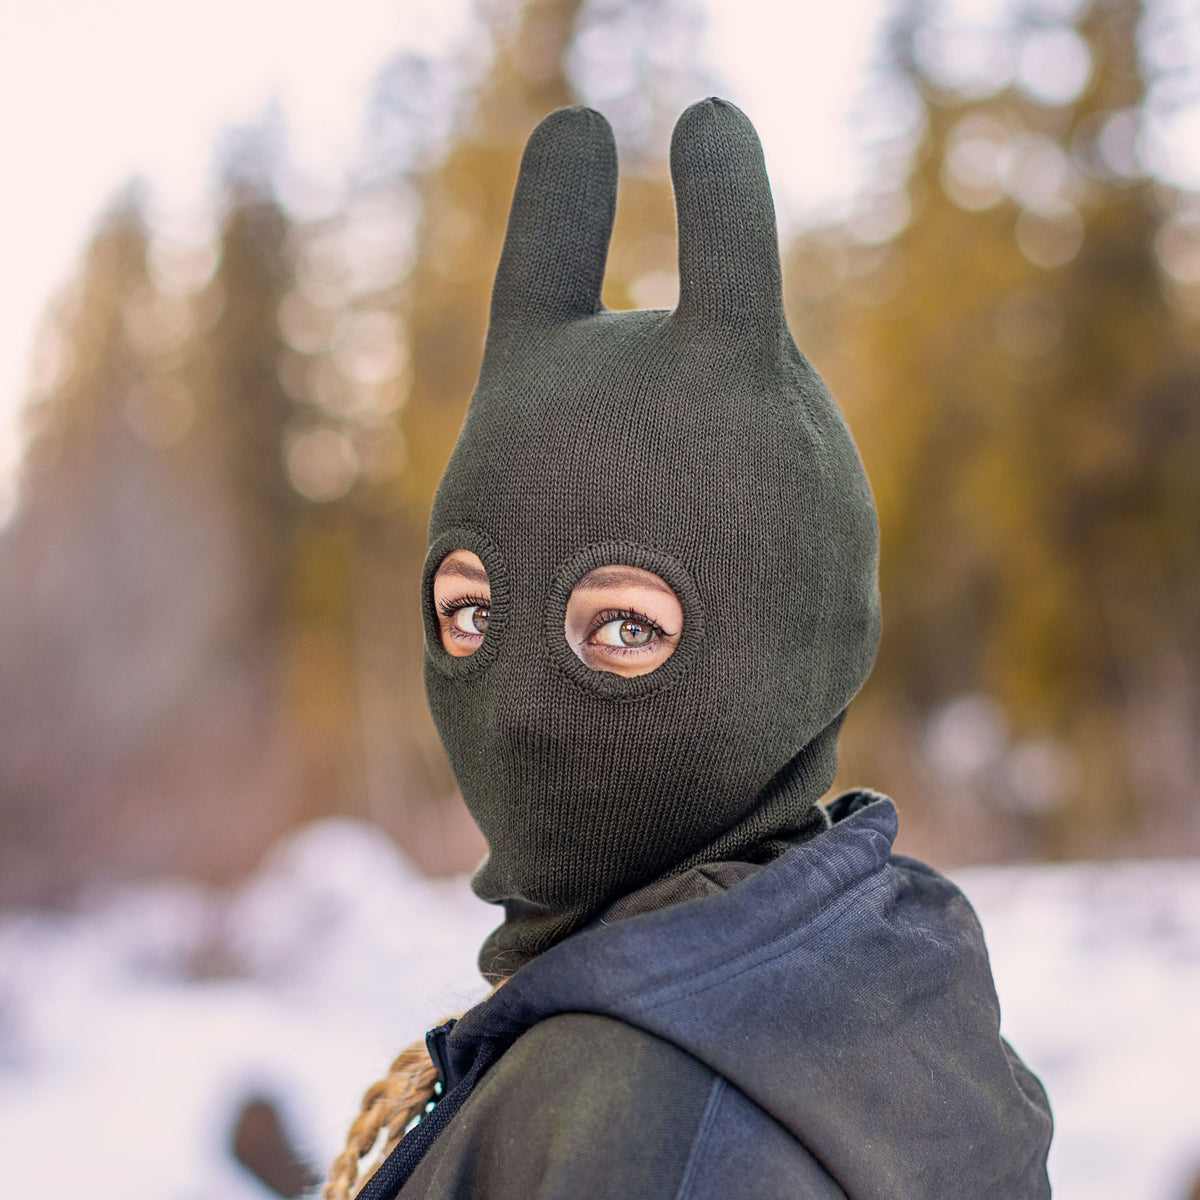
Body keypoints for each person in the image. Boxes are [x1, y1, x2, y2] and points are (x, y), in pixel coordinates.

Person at [325, 98, 1054, 1200]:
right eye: (473, 615)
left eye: (624, 625)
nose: (518, 706)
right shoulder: (866, 982)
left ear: (797, 644)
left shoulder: (634, 1116)